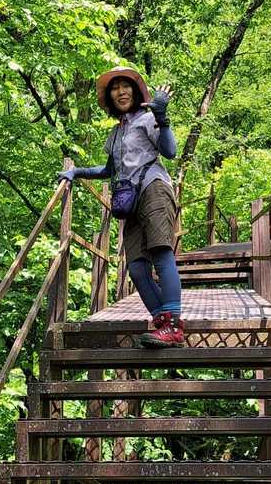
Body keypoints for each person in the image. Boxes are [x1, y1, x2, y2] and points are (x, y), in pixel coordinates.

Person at [59, 67, 183, 347]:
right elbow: (108, 170)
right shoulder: (116, 133)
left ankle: (173, 326)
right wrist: (76, 172)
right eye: (115, 88)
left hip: (153, 188)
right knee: (137, 268)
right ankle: (163, 323)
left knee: (160, 252)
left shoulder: (148, 118)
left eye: (126, 86)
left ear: (136, 91)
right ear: (110, 97)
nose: (121, 91)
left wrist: (162, 118)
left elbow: (170, 151)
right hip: (130, 200)